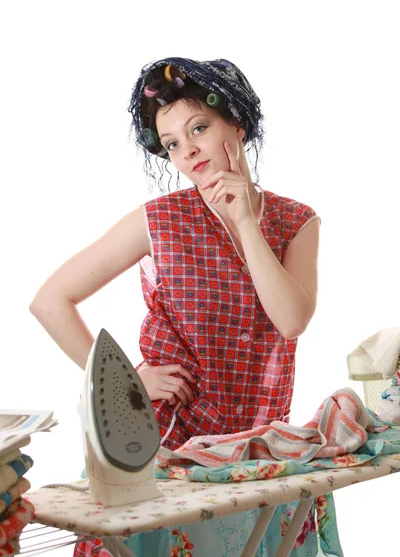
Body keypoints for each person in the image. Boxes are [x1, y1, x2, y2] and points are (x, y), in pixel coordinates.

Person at [30, 57, 343, 556]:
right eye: (172, 143)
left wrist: (244, 222)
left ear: (235, 124)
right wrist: (130, 377)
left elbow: (291, 319)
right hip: (167, 443)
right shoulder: (159, 220)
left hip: (254, 449)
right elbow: (50, 302)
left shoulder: (296, 221)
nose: (188, 150)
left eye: (199, 127)